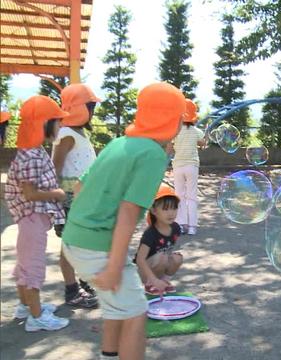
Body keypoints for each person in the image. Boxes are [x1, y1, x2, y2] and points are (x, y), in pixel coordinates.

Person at [61, 82, 186, 360]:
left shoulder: (119, 142)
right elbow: (129, 213)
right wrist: (115, 265)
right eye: (179, 116)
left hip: (74, 240)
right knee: (136, 313)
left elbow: (80, 188)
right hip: (97, 248)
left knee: (118, 307)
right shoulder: (154, 154)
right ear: (168, 119)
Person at [4, 96, 71, 332]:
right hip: (32, 218)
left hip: (31, 220)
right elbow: (30, 194)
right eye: (56, 121)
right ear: (43, 123)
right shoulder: (31, 156)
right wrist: (58, 193)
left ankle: (25, 306)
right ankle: (36, 317)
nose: (60, 126)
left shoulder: (32, 151)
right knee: (32, 268)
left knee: (24, 265)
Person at [51, 83, 100, 309]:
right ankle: (72, 291)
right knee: (69, 246)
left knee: (82, 244)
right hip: (71, 200)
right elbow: (56, 169)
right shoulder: (66, 134)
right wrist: (57, 210)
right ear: (79, 108)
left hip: (84, 198)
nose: (93, 111)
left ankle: (83, 282)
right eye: (90, 107)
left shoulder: (79, 133)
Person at [134, 185, 183, 295]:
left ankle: (164, 282)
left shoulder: (176, 228)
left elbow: (169, 250)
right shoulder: (150, 233)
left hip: (160, 263)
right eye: (165, 209)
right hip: (144, 271)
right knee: (162, 257)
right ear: (154, 210)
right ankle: (149, 284)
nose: (171, 213)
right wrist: (153, 279)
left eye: (174, 208)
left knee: (177, 258)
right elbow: (140, 260)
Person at [172, 99, 206, 235]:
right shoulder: (197, 131)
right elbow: (203, 144)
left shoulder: (176, 130)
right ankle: (192, 227)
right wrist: (203, 140)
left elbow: (169, 146)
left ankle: (180, 225)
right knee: (192, 196)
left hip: (178, 165)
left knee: (179, 195)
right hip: (192, 166)